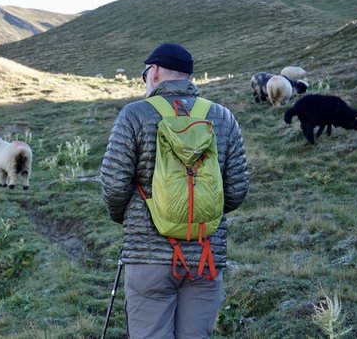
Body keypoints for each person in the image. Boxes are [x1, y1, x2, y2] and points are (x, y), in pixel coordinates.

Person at [100, 42, 249, 338]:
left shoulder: (134, 115)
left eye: (144, 75)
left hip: (149, 256)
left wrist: (130, 218)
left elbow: (114, 185)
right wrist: (200, 217)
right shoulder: (222, 116)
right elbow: (236, 189)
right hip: (205, 256)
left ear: (153, 72)